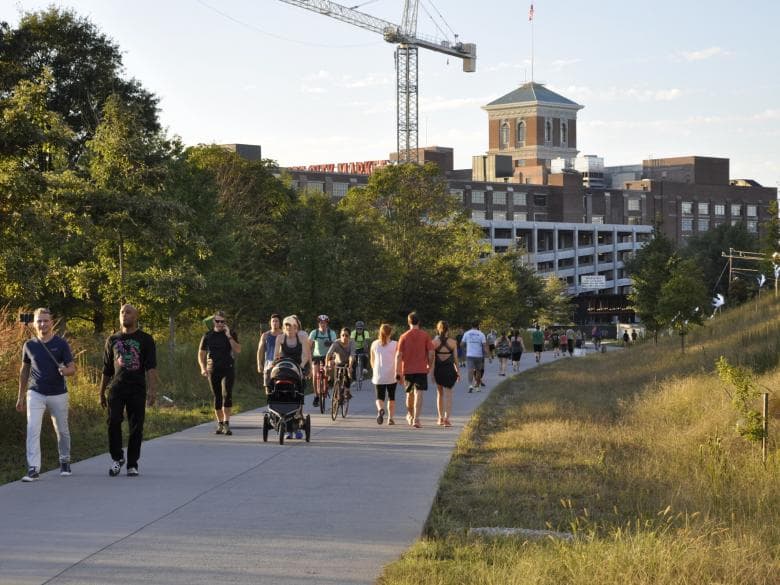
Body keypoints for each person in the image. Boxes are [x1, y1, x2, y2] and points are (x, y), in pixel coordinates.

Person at [16, 308, 76, 481]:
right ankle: (33, 468)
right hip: (35, 393)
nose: (42, 324)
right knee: (33, 429)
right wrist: (20, 396)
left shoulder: (61, 344)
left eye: (45, 321)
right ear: (34, 324)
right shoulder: (29, 345)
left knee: (62, 430)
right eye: (39, 321)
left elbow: (72, 368)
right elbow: (24, 371)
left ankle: (64, 460)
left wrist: (65, 371)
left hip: (58, 393)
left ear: (51, 322)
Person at [100, 304, 158, 477]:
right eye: (122, 312)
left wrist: (152, 390)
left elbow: (151, 367)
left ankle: (132, 464)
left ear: (136, 316)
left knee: (136, 427)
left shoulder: (145, 339)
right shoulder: (112, 339)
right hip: (116, 388)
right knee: (113, 422)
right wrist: (101, 392)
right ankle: (117, 458)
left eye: (128, 312)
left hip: (137, 389)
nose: (124, 315)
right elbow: (107, 369)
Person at [198, 310, 241, 436]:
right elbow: (201, 353)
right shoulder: (208, 335)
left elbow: (238, 350)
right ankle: (220, 423)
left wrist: (228, 336)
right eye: (218, 321)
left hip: (228, 368)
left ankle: (226, 423)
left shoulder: (231, 333)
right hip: (213, 369)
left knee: (227, 394)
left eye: (222, 322)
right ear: (213, 321)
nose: (220, 324)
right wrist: (202, 368)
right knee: (217, 396)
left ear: (225, 322)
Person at [274, 315, 311, 439]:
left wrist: (301, 366)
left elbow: (305, 355)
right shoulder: (280, 338)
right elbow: (276, 355)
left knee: (298, 396)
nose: (289, 329)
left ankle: (297, 423)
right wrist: (275, 363)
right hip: (284, 367)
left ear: (296, 328)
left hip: (298, 367)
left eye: (291, 326)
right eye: (286, 326)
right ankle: (284, 423)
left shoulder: (302, 337)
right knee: (280, 390)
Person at [395, 312, 434, 429]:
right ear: (419, 322)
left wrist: (397, 371)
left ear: (408, 322)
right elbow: (431, 353)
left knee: (409, 393)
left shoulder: (404, 336)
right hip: (421, 369)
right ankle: (416, 419)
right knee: (419, 393)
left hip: (407, 369)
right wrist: (429, 365)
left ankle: (410, 415)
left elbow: (398, 355)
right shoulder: (425, 335)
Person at [432, 320, 459, 426]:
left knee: (439, 394)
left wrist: (432, 373)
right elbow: (455, 359)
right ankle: (447, 419)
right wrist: (458, 372)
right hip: (449, 370)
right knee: (449, 394)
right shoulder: (453, 342)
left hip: (438, 370)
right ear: (448, 329)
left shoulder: (434, 342)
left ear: (438, 329)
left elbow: (432, 359)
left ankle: (440, 418)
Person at [370, 324, 397, 425]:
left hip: (378, 375)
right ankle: (390, 418)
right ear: (391, 333)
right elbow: (398, 359)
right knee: (391, 397)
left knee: (379, 397)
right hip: (391, 374)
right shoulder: (395, 344)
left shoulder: (374, 344)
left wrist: (374, 370)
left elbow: (372, 360)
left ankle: (380, 409)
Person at [309, 315, 336, 407]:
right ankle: (316, 396)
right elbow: (309, 344)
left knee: (331, 366)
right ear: (318, 323)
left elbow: (335, 343)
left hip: (328, 356)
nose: (322, 324)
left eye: (324, 323)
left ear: (327, 324)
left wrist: (331, 343)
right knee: (314, 375)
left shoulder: (331, 333)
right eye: (321, 323)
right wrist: (308, 355)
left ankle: (330, 380)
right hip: (317, 356)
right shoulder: (314, 332)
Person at [326, 327, 356, 402]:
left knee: (348, 374)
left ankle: (347, 390)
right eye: (343, 335)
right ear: (340, 335)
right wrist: (326, 365)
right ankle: (335, 389)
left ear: (349, 336)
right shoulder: (336, 343)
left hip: (348, 362)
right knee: (336, 377)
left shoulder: (352, 342)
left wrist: (350, 366)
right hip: (338, 362)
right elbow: (329, 354)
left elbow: (352, 355)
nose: (344, 337)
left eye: (346, 335)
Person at [257, 314, 282, 393]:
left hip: (280, 363)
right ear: (270, 323)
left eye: (276, 321)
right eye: (273, 321)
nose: (274, 323)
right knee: (268, 387)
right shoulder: (265, 335)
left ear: (280, 323)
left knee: (280, 386)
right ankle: (269, 399)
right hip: (268, 364)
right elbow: (260, 351)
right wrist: (259, 364)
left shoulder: (284, 334)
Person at [461, 320, 488, 393]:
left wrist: (466, 349)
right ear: (478, 326)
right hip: (479, 355)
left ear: (471, 325)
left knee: (470, 370)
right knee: (478, 371)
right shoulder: (481, 334)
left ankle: (470, 385)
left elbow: (461, 344)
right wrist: (487, 355)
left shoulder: (467, 333)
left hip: (470, 355)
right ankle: (477, 386)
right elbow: (484, 346)